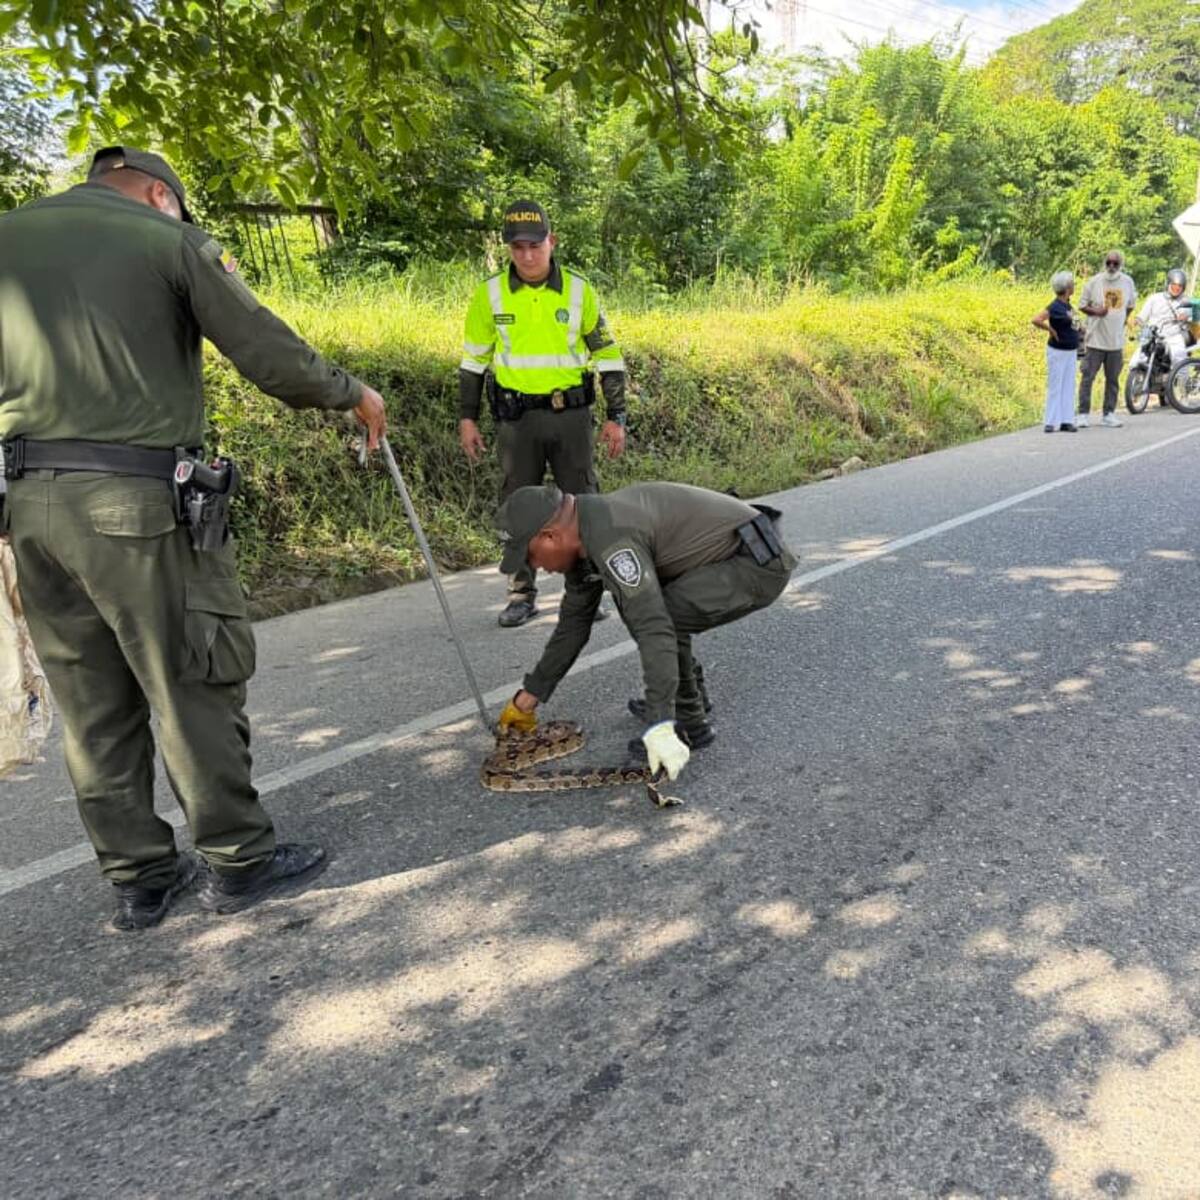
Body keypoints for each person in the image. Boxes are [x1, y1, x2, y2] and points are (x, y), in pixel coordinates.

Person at [0, 146, 388, 931]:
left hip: (29, 508)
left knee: (92, 702)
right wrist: (351, 394)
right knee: (189, 678)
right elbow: (265, 349)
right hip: (133, 506)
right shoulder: (165, 239)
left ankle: (139, 879)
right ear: (157, 194)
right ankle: (238, 860)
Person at [491, 482, 797, 781]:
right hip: (725, 558)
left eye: (530, 557)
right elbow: (573, 626)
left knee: (656, 615)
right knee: (640, 606)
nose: (536, 567)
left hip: (757, 563)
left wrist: (659, 723)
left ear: (550, 535)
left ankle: (688, 722)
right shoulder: (584, 533)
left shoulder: (612, 541)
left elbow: (655, 627)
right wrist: (527, 699)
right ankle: (688, 698)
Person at [458, 200, 627, 628]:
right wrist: (467, 417)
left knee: (582, 503)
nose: (527, 255)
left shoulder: (578, 290)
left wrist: (616, 415)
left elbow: (607, 355)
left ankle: (587, 589)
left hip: (570, 418)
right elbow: (474, 361)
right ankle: (521, 593)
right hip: (516, 422)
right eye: (517, 247)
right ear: (508, 249)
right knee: (518, 506)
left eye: (535, 245)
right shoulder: (489, 294)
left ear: (552, 242)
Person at [1077, 250, 1137, 428]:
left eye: (1115, 264)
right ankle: (1082, 414)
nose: (1111, 267)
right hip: (1095, 339)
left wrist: (1122, 320)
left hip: (1115, 341)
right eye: (1108, 263)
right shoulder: (1095, 281)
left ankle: (1109, 413)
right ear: (1105, 263)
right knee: (1088, 377)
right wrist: (1096, 312)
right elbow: (1082, 305)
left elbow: (1130, 305)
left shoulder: (1127, 282)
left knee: (1113, 379)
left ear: (1120, 265)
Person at [1132, 267, 1193, 404]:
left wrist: (1186, 317)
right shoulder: (1155, 298)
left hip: (1173, 335)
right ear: (1168, 284)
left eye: (1179, 287)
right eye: (1174, 285)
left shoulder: (1185, 301)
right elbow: (1142, 316)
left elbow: (1192, 319)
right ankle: (1136, 387)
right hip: (1153, 333)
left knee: (1180, 359)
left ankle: (1183, 394)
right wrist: (1136, 321)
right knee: (1137, 358)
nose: (1176, 289)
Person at [1032, 271, 1080, 433]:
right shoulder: (1055, 306)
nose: (1074, 287)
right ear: (1066, 288)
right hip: (1057, 351)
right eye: (1072, 284)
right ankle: (1050, 421)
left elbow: (1079, 325)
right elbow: (1036, 319)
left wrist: (1085, 333)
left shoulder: (1069, 306)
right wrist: (1050, 329)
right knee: (1055, 385)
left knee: (1069, 385)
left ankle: (1067, 420)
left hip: (1071, 350)